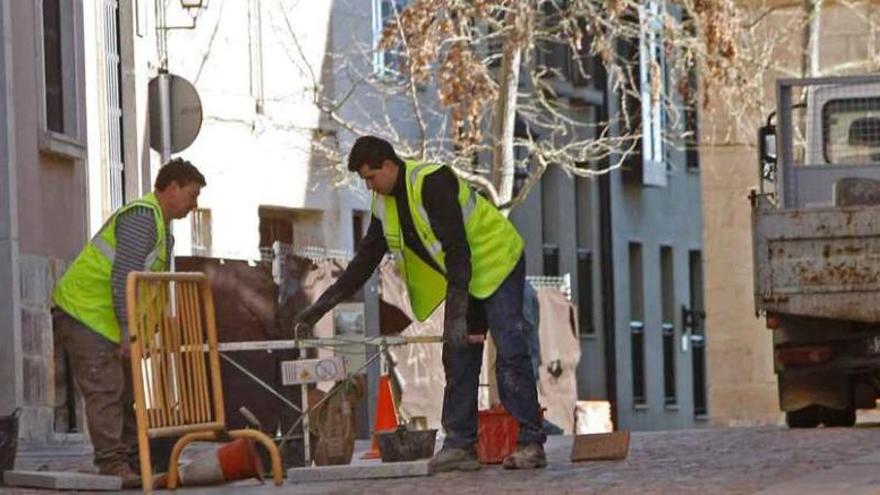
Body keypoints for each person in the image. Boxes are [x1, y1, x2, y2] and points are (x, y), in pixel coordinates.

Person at [294, 136, 546, 471]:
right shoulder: (384, 206)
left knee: (510, 352)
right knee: (457, 354)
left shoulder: (431, 181)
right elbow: (363, 263)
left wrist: (456, 313)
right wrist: (319, 308)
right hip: (467, 277)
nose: (369, 187)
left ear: (388, 165)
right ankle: (460, 446)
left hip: (497, 262)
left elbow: (457, 249)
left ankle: (531, 442)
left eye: (371, 177)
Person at [52, 159, 205, 487]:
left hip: (106, 319)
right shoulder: (141, 218)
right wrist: (127, 330)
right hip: (86, 313)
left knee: (125, 392)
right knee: (106, 390)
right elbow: (126, 277)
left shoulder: (161, 229)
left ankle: (135, 461)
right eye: (192, 195)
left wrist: (144, 334)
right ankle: (113, 465)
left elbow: (150, 292)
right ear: (172, 188)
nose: (195, 205)